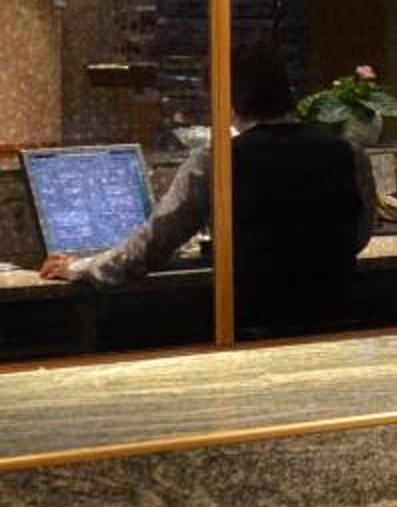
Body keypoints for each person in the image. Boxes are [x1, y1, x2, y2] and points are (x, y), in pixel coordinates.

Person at [41, 40, 373, 339]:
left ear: (227, 98)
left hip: (252, 331)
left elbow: (153, 244)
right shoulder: (348, 152)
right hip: (338, 327)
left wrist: (80, 267)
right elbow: (358, 236)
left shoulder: (217, 161)